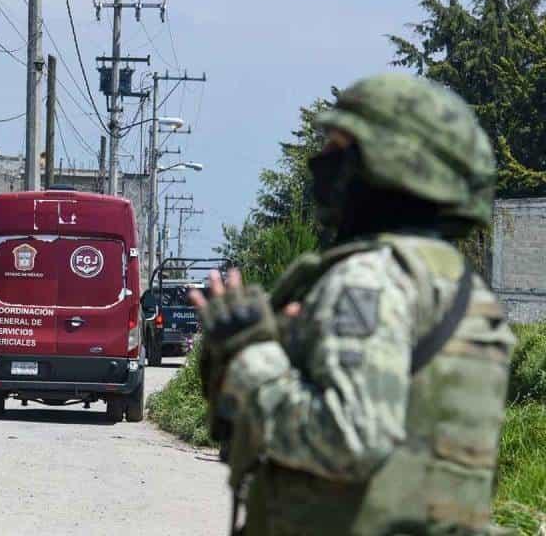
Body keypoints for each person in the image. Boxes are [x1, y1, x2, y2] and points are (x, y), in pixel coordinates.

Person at [190, 73, 516, 536]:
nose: (319, 162)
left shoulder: (369, 279)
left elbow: (349, 436)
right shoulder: (463, 289)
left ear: (385, 164)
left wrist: (250, 356)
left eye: (337, 148)